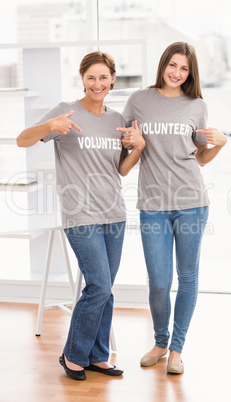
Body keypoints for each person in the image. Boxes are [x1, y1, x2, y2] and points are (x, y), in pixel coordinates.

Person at [17, 51, 145, 380]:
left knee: (106, 288)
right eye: (91, 78)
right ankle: (73, 355)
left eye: (104, 77)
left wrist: (139, 148)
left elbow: (120, 170)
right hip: (80, 214)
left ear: (113, 79)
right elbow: (22, 141)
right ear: (83, 79)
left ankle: (98, 356)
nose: (98, 83)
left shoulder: (116, 118)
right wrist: (49, 125)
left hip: (113, 213)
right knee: (99, 285)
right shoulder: (65, 111)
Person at [117, 42, 227, 374]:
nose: (177, 73)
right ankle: (160, 341)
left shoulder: (196, 105)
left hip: (191, 203)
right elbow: (124, 144)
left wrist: (220, 145)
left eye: (184, 69)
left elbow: (199, 158)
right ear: (163, 64)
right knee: (160, 281)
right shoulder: (139, 100)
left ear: (190, 73)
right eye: (173, 65)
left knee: (188, 276)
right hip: (152, 204)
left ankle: (177, 349)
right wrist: (130, 144)